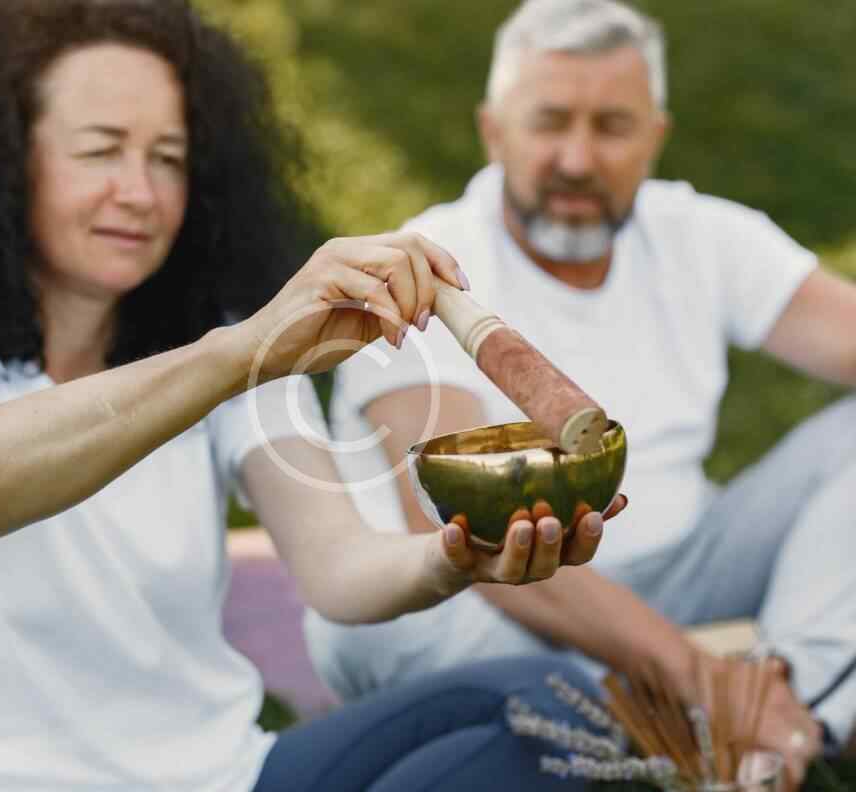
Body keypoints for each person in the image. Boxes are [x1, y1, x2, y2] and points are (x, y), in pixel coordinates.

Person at [0, 1, 626, 790]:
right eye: (101, 151)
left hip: (225, 776)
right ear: (6, 160)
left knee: (550, 706)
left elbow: (339, 567)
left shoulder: (215, 347)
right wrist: (241, 351)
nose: (140, 192)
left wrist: (457, 556)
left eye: (168, 158)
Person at [302, 0, 856, 789]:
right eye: (549, 122)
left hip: (687, 577)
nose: (576, 158)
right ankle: (710, 717)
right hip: (502, 604)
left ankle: (786, 713)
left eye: (612, 127)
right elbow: (458, 529)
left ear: (656, 136)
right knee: (379, 629)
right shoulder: (425, 270)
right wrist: (699, 674)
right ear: (494, 131)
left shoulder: (700, 235)